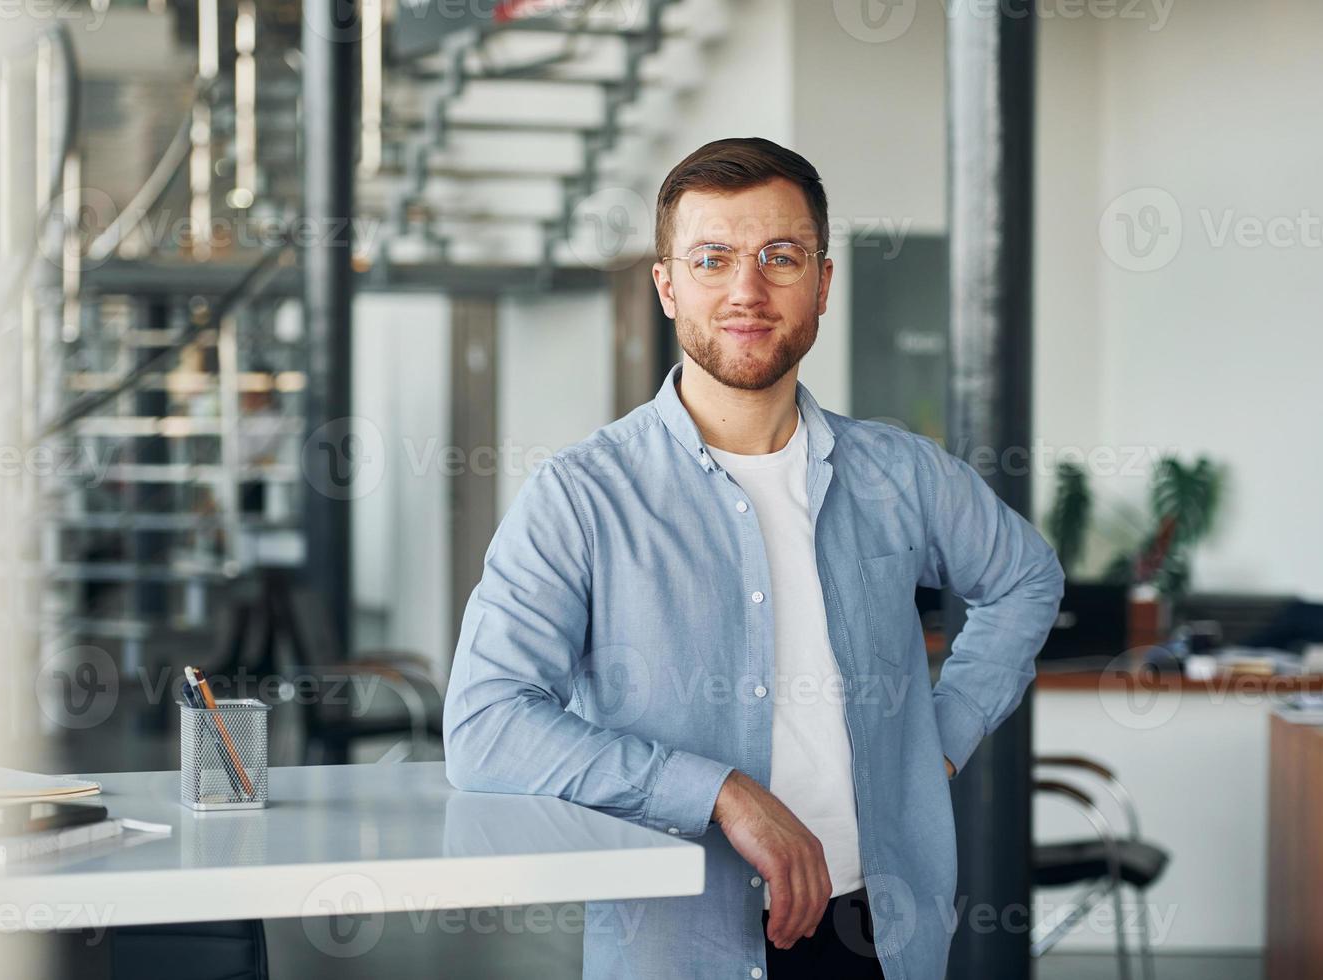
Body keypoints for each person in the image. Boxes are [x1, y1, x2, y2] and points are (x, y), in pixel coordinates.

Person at [443, 137, 1065, 979]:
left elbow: (1027, 579)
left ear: (823, 281)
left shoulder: (903, 473)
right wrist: (719, 792)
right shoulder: (580, 497)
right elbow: (487, 726)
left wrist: (942, 735)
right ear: (666, 285)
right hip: (680, 945)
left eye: (781, 256)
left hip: (881, 935)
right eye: (712, 258)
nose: (748, 290)